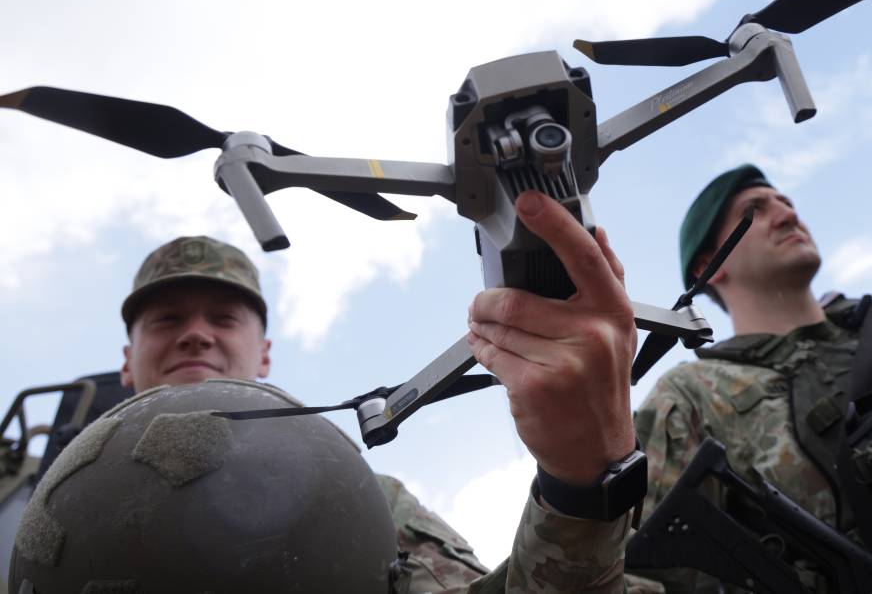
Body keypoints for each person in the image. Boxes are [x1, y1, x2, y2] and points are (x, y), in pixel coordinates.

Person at [115, 190, 642, 593]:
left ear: (265, 357)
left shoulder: (352, 498)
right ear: (125, 362)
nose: (197, 333)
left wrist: (578, 485)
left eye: (224, 318)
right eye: (168, 319)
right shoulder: (30, 488)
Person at [632, 164, 872, 592]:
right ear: (709, 267)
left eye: (787, 203)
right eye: (754, 211)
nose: (787, 215)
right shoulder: (694, 395)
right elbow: (638, 573)